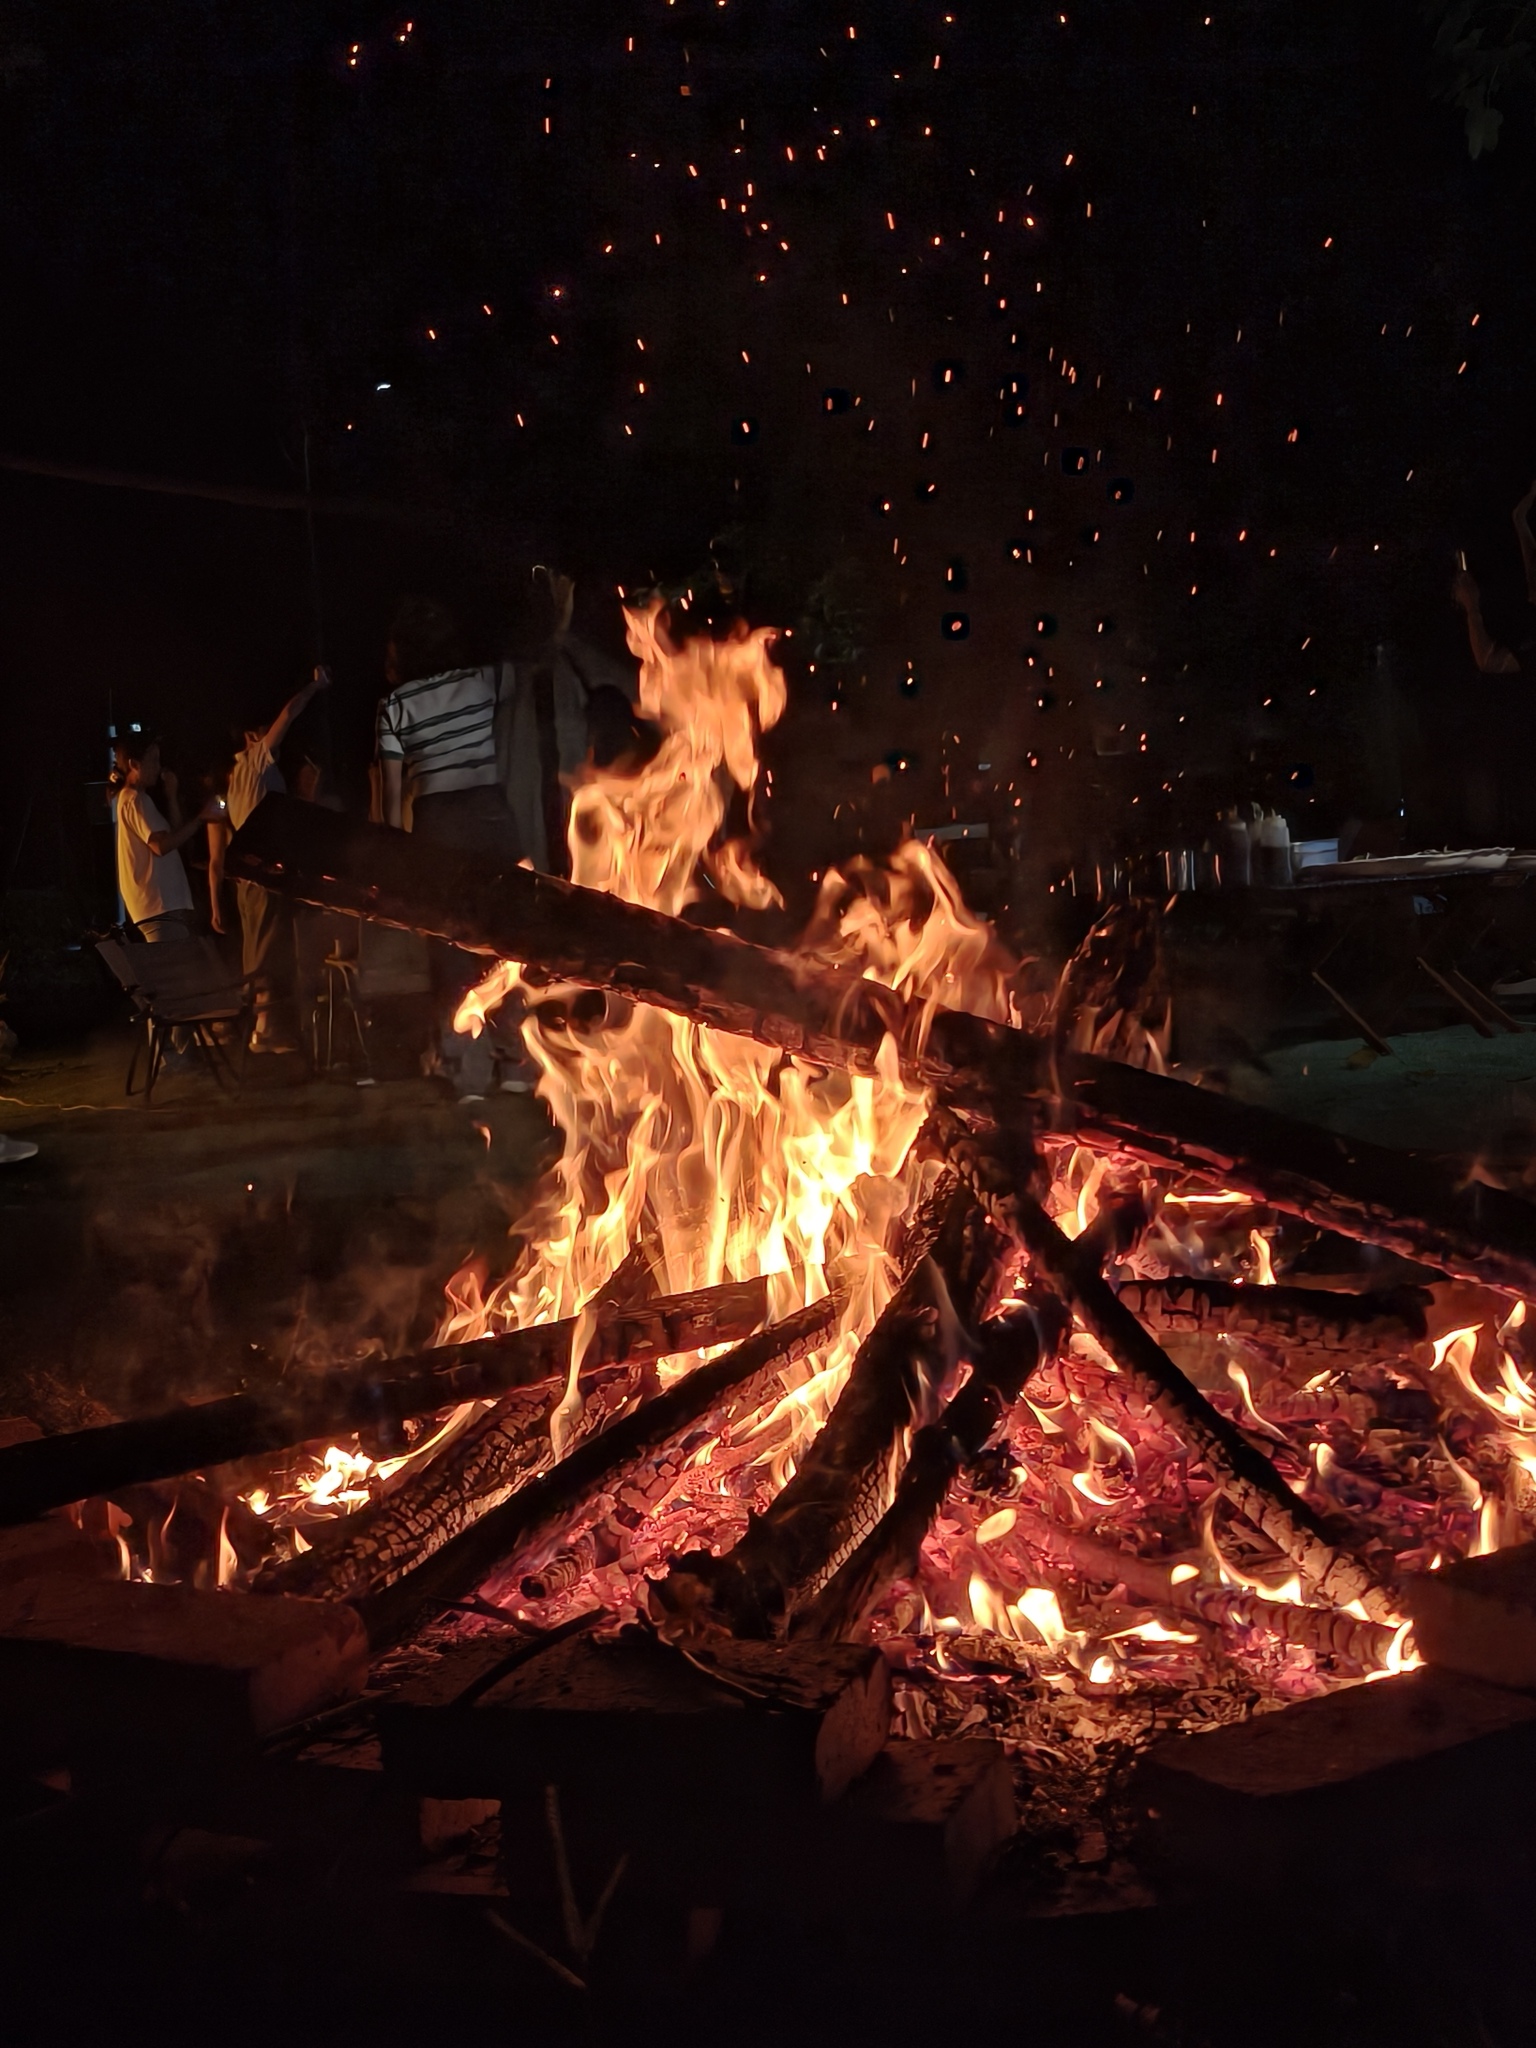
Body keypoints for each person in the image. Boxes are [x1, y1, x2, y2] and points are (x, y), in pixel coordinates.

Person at [376, 596, 528, 1097]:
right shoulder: (482, 681)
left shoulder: (396, 706)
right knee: (507, 943)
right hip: (492, 819)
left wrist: (394, 854)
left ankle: (466, 1072)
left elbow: (392, 795)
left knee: (451, 949)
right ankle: (515, 1066)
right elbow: (528, 666)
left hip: (439, 828)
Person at [208, 666, 331, 1053]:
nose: (273, 737)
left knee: (260, 948)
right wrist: (314, 686)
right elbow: (289, 713)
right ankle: (262, 1031)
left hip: (248, 874)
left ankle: (265, 1028)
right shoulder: (256, 760)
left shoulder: (237, 777)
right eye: (265, 731)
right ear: (252, 736)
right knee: (265, 951)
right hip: (261, 872)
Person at [112, 734, 223, 941]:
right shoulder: (136, 800)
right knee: (175, 958)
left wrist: (172, 796)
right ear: (134, 764)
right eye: (153, 760)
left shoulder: (135, 799)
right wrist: (201, 818)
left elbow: (174, 836)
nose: (158, 767)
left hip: (160, 906)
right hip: (159, 905)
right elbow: (161, 846)